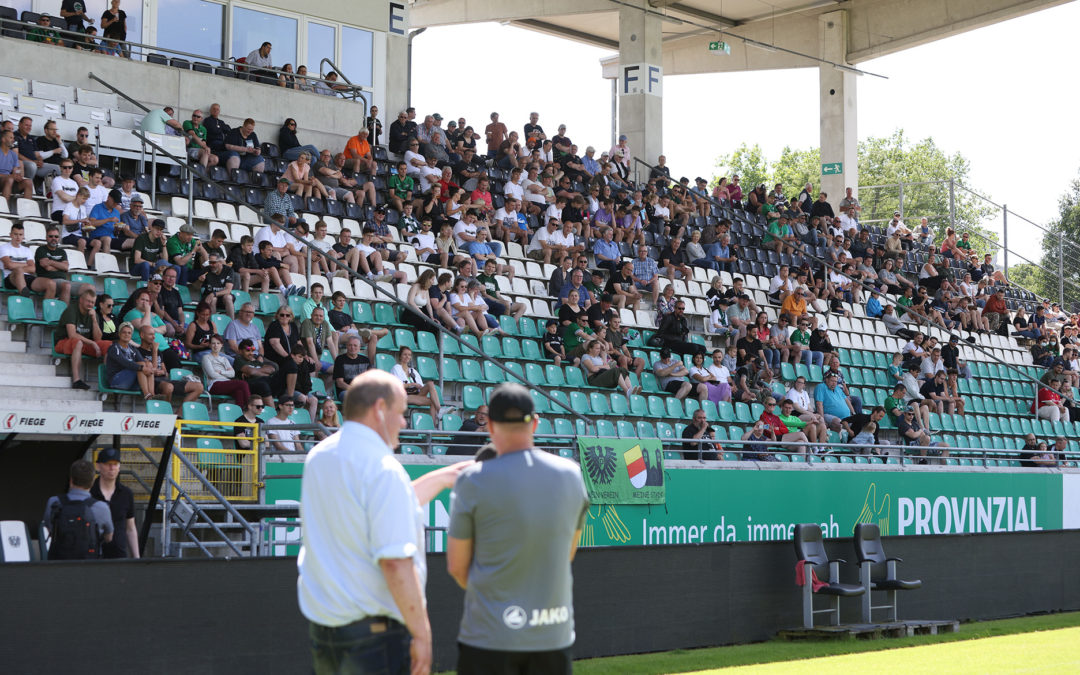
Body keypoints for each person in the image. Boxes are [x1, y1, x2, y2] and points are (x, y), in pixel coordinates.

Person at [299, 370, 468, 674]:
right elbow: (395, 562)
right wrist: (422, 633)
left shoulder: (320, 455)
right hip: (375, 636)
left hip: (326, 628)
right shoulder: (381, 469)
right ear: (379, 409)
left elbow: (370, 513)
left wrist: (441, 478)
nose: (404, 423)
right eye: (401, 412)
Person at [447, 383, 586, 674]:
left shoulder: (472, 480)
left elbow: (458, 568)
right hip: (552, 637)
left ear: (490, 425)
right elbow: (567, 554)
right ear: (535, 422)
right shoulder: (572, 475)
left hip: (489, 637)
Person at [43, 459, 114, 560]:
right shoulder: (102, 507)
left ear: (71, 480)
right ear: (92, 481)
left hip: (58, 564)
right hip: (89, 565)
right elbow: (109, 538)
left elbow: (49, 528)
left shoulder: (54, 502)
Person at [54, 286, 112, 390]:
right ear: (81, 300)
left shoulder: (93, 313)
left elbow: (98, 338)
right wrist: (92, 343)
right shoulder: (71, 310)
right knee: (78, 342)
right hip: (63, 342)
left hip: (84, 344)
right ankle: (76, 380)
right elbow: (72, 335)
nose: (90, 304)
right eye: (88, 301)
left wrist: (94, 319)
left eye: (93, 302)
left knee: (109, 345)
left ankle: (107, 380)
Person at [89, 447, 139, 559]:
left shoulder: (126, 494)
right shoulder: (89, 492)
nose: (112, 468)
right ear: (98, 466)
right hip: (93, 556)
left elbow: (130, 528)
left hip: (119, 555)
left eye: (115, 464)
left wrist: (137, 558)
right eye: (107, 464)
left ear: (119, 466)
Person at [391, 346, 442, 421]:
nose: (407, 356)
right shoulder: (396, 368)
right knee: (432, 402)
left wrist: (419, 386)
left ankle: (434, 424)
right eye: (405, 354)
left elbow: (420, 385)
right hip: (404, 395)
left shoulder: (413, 370)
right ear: (400, 356)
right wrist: (411, 384)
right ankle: (440, 411)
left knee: (430, 384)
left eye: (409, 355)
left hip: (416, 394)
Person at [202, 334, 251, 407]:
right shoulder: (206, 358)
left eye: (218, 343)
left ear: (222, 345)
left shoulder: (224, 359)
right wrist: (226, 374)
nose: (216, 346)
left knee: (239, 392)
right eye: (213, 343)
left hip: (226, 383)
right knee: (243, 384)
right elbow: (212, 374)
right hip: (214, 385)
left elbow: (232, 374)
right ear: (209, 345)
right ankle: (251, 407)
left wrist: (221, 372)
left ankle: (239, 414)